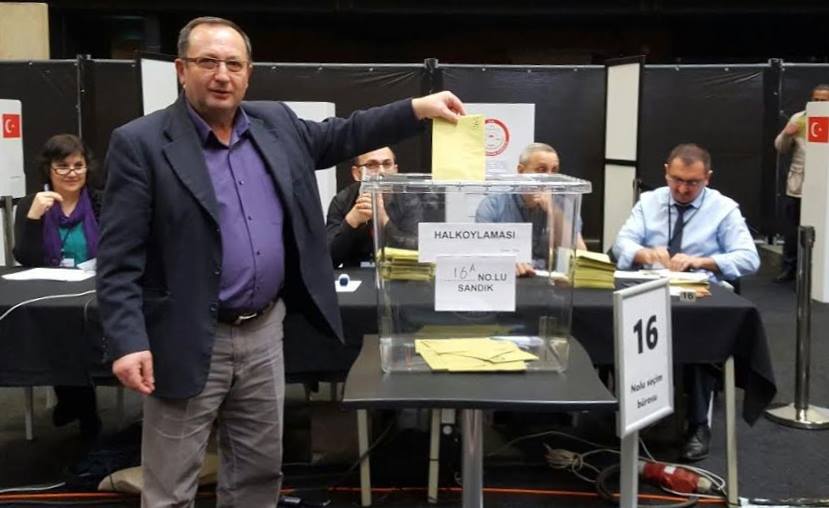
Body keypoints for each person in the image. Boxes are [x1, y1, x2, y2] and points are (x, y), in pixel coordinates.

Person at [95, 16, 464, 507]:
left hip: (264, 331)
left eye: (234, 64)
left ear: (248, 74)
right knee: (170, 487)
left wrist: (417, 108)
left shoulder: (277, 125)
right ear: (181, 70)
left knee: (257, 475)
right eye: (207, 62)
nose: (222, 75)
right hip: (184, 335)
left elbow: (347, 133)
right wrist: (128, 341)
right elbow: (118, 258)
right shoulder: (141, 143)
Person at [612, 143, 760, 462]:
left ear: (708, 178)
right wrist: (643, 253)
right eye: (676, 179)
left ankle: (698, 424)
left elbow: (749, 258)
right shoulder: (649, 202)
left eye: (692, 183)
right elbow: (621, 243)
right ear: (666, 171)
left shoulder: (723, 209)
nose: (682, 189)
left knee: (702, 338)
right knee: (619, 326)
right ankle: (635, 412)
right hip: (650, 289)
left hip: (700, 293)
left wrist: (702, 261)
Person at [13, 133, 102, 438]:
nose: (71, 173)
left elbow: (119, 247)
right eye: (62, 166)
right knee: (55, 328)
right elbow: (25, 257)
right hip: (50, 294)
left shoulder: (101, 202)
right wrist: (34, 218)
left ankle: (75, 404)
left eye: (78, 165)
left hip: (94, 292)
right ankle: (82, 407)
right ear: (48, 169)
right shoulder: (31, 203)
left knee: (78, 328)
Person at [476, 143, 587, 276]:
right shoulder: (493, 205)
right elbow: (482, 254)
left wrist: (554, 211)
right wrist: (505, 261)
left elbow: (580, 256)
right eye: (541, 170)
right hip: (510, 278)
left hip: (551, 281)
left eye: (554, 170)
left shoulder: (564, 205)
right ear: (521, 171)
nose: (549, 178)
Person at [774, 84, 829, 282]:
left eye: (824, 100)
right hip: (799, 186)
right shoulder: (799, 118)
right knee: (793, 229)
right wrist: (787, 134)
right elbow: (781, 148)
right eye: (816, 99)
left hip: (825, 187)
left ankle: (821, 271)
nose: (819, 103)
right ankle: (790, 268)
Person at [325, 146, 399, 267]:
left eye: (387, 164)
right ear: (357, 173)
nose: (381, 172)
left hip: (397, 273)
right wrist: (351, 221)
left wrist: (383, 219)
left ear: (395, 170)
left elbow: (417, 250)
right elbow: (327, 259)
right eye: (371, 165)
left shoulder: (410, 200)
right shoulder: (342, 200)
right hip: (354, 274)